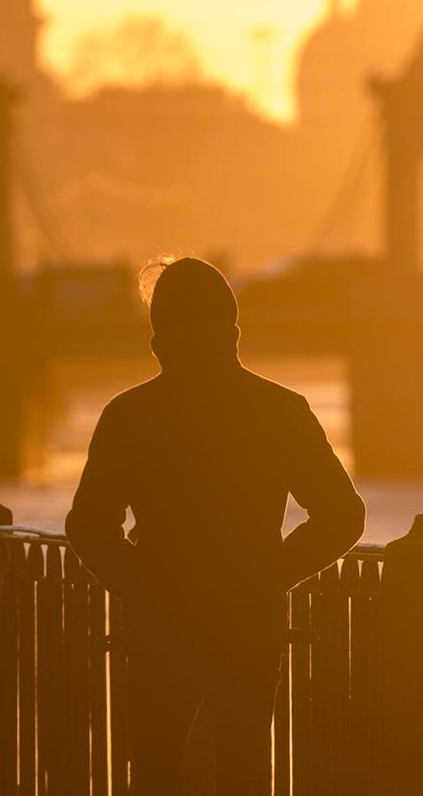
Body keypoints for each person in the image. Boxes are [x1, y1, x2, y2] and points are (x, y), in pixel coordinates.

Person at [66, 256, 366, 795]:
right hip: (248, 625)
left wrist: (141, 586)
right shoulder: (281, 410)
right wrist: (271, 576)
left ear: (158, 340)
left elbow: (89, 526)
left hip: (160, 627)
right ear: (233, 331)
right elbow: (343, 515)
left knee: (156, 772)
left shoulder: (128, 416)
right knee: (243, 768)